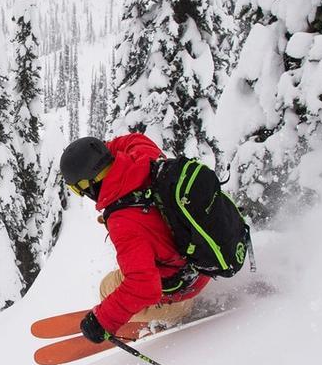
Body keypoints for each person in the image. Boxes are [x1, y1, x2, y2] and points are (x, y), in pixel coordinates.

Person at [59, 134, 210, 344]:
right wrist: (97, 153)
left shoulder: (124, 223)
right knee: (133, 268)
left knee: (108, 286)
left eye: (77, 189)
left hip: (185, 290)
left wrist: (102, 320)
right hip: (202, 263)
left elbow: (144, 286)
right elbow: (134, 139)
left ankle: (173, 318)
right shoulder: (145, 157)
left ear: (88, 184)